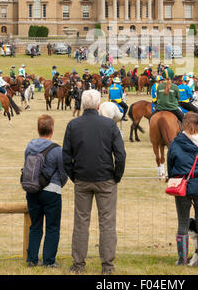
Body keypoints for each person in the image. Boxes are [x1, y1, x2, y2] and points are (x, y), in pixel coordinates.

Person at [62, 89, 126, 274]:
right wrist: (116, 176)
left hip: (83, 178)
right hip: (105, 179)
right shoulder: (109, 125)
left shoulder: (73, 125)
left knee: (81, 222)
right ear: (99, 105)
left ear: (83, 105)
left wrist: (74, 175)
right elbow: (120, 154)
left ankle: (78, 264)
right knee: (107, 223)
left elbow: (66, 156)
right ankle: (107, 266)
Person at [167, 112, 198, 266]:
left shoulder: (176, 143)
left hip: (182, 185)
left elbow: (170, 165)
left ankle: (182, 260)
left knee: (182, 222)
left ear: (184, 124)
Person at [24, 115, 68, 267]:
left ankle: (32, 259)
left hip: (32, 190)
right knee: (52, 227)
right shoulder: (57, 150)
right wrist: (59, 185)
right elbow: (63, 173)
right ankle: (49, 261)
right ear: (52, 130)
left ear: (38, 129)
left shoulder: (29, 147)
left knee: (35, 226)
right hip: (52, 191)